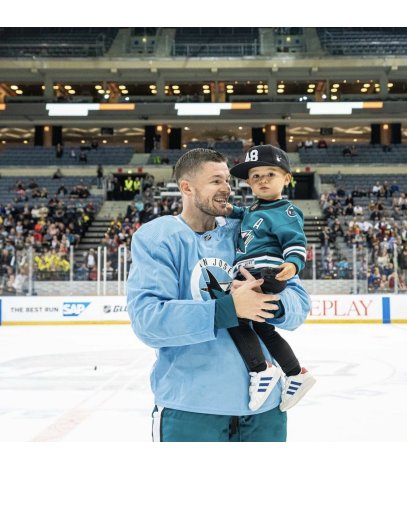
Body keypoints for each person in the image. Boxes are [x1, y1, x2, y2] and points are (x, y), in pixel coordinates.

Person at [127, 148, 310, 442]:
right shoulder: (157, 238)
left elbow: (299, 303)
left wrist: (265, 304)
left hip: (266, 411)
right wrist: (229, 309)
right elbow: (149, 320)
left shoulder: (250, 231)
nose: (227, 188)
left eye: (227, 180)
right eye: (216, 181)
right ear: (186, 187)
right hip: (191, 409)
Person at [227, 145, 315, 412]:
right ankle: (295, 372)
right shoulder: (255, 209)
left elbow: (295, 241)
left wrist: (292, 264)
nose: (262, 180)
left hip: (266, 272)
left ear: (287, 178)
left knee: (232, 314)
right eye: (255, 176)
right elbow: (246, 216)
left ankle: (261, 368)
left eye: (270, 174)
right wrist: (230, 209)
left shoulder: (285, 211)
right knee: (263, 328)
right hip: (254, 271)